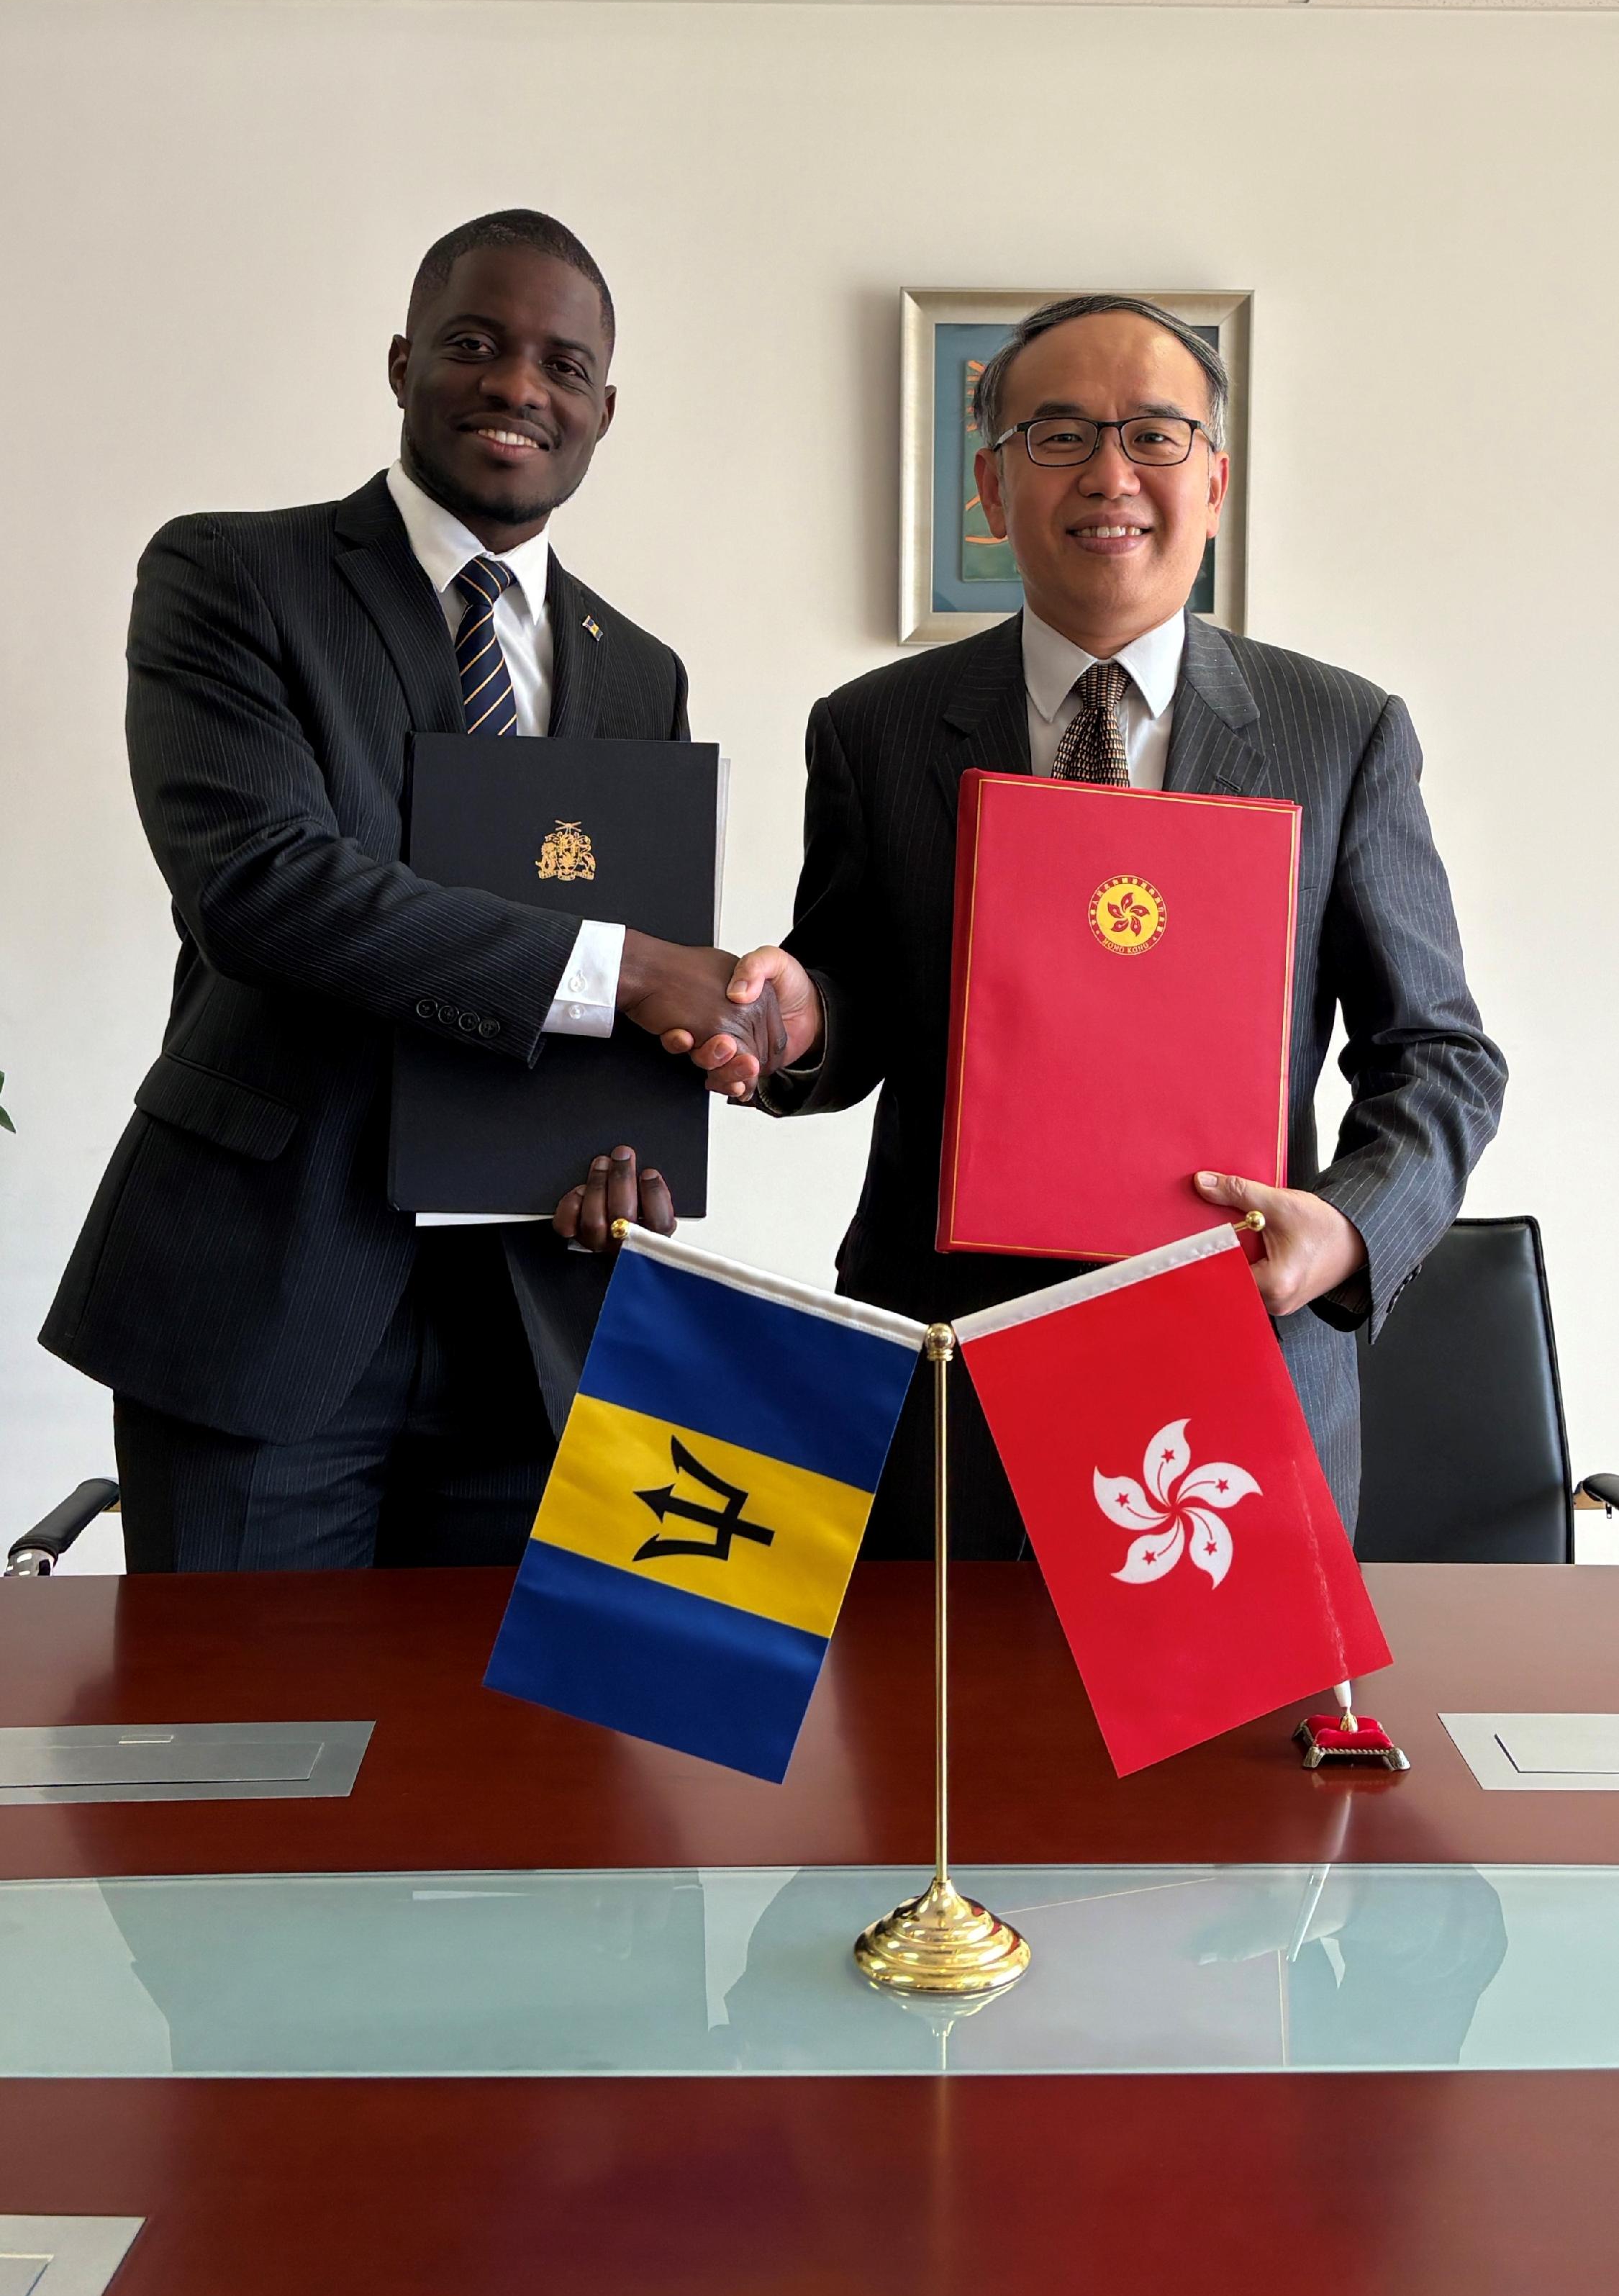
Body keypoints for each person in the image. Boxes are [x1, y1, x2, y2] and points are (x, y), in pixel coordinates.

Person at [678, 294, 1506, 1552]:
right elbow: (855, 997)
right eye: (1055, 435)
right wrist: (798, 1025)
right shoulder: (877, 729)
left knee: (1226, 1752)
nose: (1109, 473)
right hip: (946, 1363)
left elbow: (1440, 1055)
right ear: (988, 486)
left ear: (1213, 481)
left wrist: (1345, 1230)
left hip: (1232, 1371)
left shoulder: (1338, 733)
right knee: (940, 1745)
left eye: (1154, 435)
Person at [42, 209, 781, 1572]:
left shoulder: (640, 672)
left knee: (507, 1780)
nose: (517, 386)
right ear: (399, 365)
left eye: (562, 366)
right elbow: (262, 889)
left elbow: (631, 997)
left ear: (603, 410)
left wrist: (648, 1131)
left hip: (539, 1317)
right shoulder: (230, 575)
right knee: (241, 1763)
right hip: (266, 1293)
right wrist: (628, 970)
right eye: (475, 346)